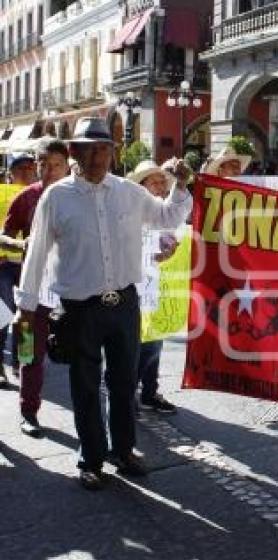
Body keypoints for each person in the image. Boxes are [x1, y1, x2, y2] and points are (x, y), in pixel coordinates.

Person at [15, 118, 193, 490]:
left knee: (124, 381)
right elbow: (36, 254)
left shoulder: (129, 192)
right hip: (78, 308)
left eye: (103, 149)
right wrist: (26, 307)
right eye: (87, 149)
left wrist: (180, 185)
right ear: (74, 153)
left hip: (124, 303)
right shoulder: (56, 197)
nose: (96, 156)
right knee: (84, 384)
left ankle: (123, 450)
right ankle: (91, 459)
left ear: (113, 153)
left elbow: (168, 217)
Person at [0, 140, 69, 433]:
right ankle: (28, 412)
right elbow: (3, 236)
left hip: (72, 291)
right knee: (28, 351)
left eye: (55, 164)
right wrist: (20, 243)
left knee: (82, 357)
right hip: (30, 291)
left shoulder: (81, 196)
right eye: (42, 163)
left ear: (67, 165)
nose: (47, 170)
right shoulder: (26, 197)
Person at [126, 159, 181, 414]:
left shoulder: (164, 210)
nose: (160, 186)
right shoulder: (128, 210)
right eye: (154, 181)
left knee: (155, 339)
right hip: (132, 285)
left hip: (159, 285)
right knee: (137, 342)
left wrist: (171, 249)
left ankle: (148, 392)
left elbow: (173, 237)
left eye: (162, 182)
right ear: (141, 186)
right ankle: (131, 392)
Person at [0, 152, 38, 386]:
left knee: (26, 316)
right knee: (2, 316)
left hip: (29, 265)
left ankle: (23, 361)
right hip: (3, 265)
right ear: (10, 174)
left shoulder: (39, 195)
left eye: (30, 168)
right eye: (20, 169)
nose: (26, 172)